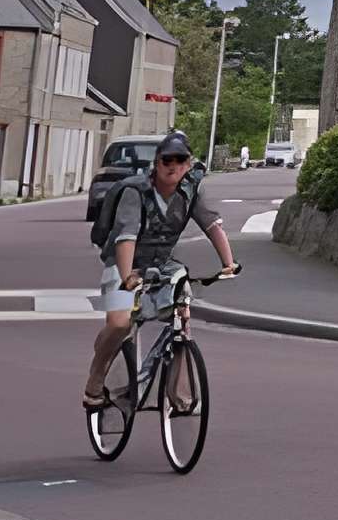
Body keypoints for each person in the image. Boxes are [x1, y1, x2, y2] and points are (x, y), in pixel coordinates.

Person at [84, 130, 236, 411]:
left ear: (188, 165)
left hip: (162, 265)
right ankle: (95, 380)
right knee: (119, 323)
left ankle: (180, 396)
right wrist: (127, 276)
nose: (173, 166)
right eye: (167, 159)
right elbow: (126, 237)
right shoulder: (135, 192)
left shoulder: (190, 192)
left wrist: (229, 263)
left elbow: (212, 225)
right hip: (122, 264)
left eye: (180, 160)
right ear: (157, 162)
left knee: (182, 317)